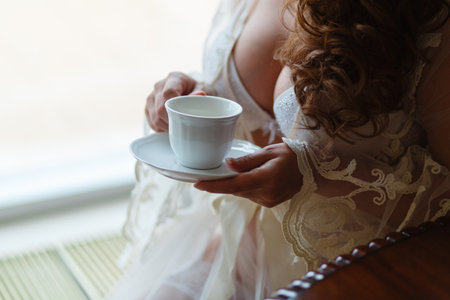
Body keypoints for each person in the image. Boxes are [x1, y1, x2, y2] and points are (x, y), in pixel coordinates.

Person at [107, 0, 450, 299]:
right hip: (231, 250)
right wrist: (196, 98)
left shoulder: (433, 23)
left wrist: (318, 176)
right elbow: (251, 110)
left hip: (348, 274)